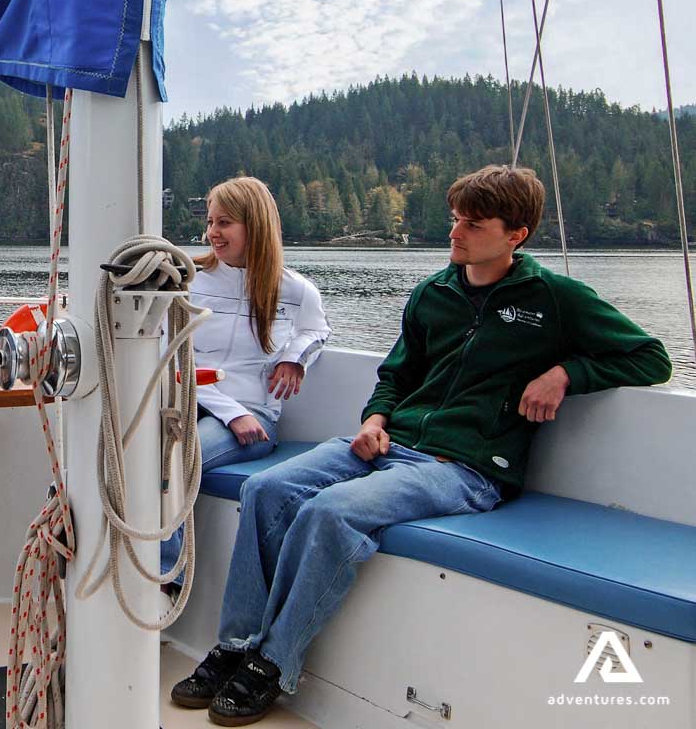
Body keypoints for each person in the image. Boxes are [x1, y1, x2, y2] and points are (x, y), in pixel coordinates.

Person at [172, 165, 671, 726]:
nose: (455, 233)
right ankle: (235, 644)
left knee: (330, 513)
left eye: (473, 224)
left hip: (467, 466)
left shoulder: (553, 299)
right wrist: (376, 418)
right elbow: (395, 375)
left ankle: (272, 663)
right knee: (266, 489)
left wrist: (564, 374)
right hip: (392, 442)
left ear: (516, 234)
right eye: (454, 219)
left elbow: (651, 357)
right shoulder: (433, 293)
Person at [159, 177, 330, 583]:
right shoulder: (188, 281)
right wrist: (229, 411)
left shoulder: (294, 290)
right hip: (191, 400)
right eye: (211, 222)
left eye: (225, 223)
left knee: (178, 457)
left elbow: (316, 330)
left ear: (255, 225)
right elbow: (171, 356)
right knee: (129, 453)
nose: (212, 233)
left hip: (257, 418)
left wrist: (294, 359)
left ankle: (165, 584)